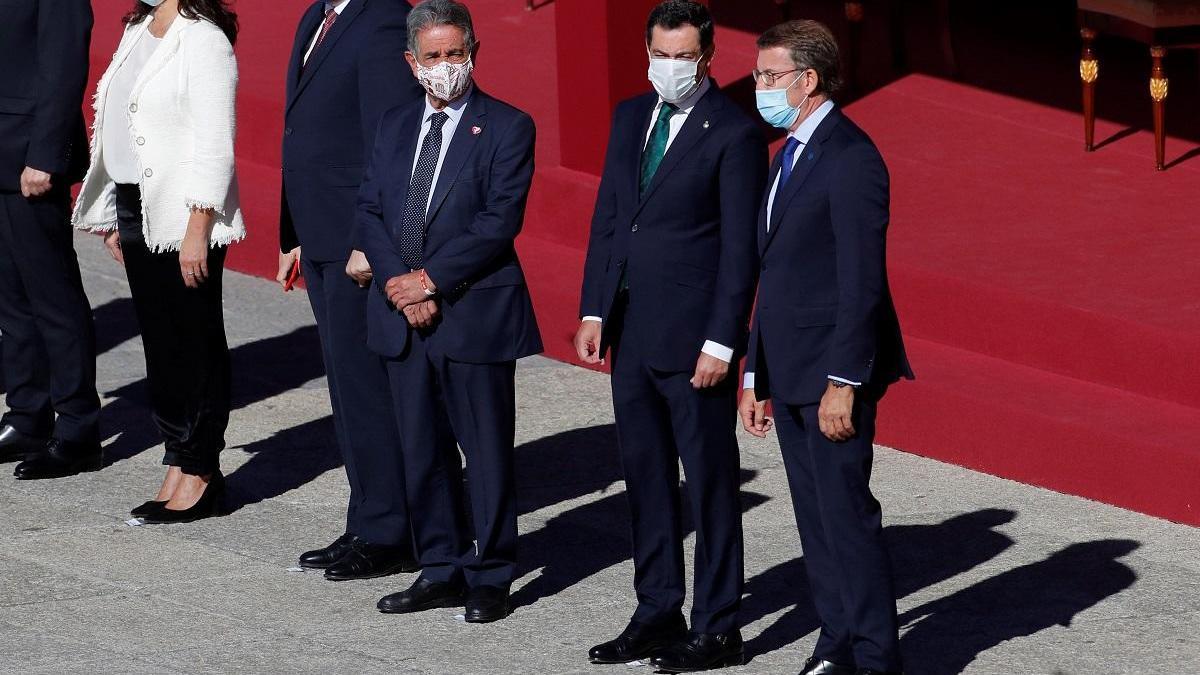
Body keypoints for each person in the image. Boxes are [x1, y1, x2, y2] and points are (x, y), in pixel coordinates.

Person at [574, 1, 767, 671]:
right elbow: (610, 217)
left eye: (684, 57)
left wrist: (722, 342)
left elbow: (742, 251)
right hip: (630, 334)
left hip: (694, 346)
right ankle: (656, 607)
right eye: (662, 54)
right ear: (646, 51)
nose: (671, 67)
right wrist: (595, 308)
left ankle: (718, 624)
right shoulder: (631, 117)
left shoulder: (734, 135)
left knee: (710, 483)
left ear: (708, 60)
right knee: (646, 478)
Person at [738, 20, 915, 675]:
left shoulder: (851, 157)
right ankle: (835, 638)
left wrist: (845, 379)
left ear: (807, 81)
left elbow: (860, 282)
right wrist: (757, 370)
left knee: (845, 516)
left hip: (832, 374)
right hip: (786, 368)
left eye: (768, 76)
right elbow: (776, 271)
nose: (758, 87)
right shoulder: (786, 152)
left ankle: (875, 655)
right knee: (814, 519)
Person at [359, 0, 542, 624]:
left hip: (472, 313)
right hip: (400, 313)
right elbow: (372, 211)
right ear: (413, 62)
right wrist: (396, 285)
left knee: (485, 451)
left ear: (474, 54)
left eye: (456, 54)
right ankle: (439, 566)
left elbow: (499, 223)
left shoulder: (508, 126)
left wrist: (429, 281)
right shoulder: (392, 124)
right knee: (421, 447)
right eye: (433, 57)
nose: (446, 67)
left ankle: (490, 573)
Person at [73, 0, 244, 523]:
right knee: (160, 342)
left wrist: (198, 228)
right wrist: (114, 216)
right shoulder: (140, 28)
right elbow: (118, 123)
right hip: (137, 206)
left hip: (185, 214)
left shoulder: (204, 39)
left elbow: (215, 142)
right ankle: (177, 457)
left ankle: (201, 469)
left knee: (194, 340)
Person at [278, 0, 424, 580]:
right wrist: (292, 230)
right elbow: (302, 126)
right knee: (344, 382)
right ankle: (365, 517)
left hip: (353, 241)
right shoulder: (319, 15)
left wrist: (374, 239)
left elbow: (389, 143)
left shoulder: (385, 18)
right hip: (317, 232)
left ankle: (391, 528)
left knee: (366, 387)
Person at [0, 0, 101, 478]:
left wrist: (45, 154)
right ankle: (26, 416)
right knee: (11, 300)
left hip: (27, 160)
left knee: (52, 297)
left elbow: (63, 66)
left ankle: (78, 427)